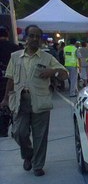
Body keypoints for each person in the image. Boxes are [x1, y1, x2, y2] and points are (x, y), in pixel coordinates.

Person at [0, 25, 68, 176]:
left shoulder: (47, 58)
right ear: (26, 37)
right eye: (32, 36)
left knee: (40, 135)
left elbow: (65, 75)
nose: (34, 39)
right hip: (20, 100)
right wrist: (5, 99)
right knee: (19, 132)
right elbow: (10, 79)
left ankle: (37, 165)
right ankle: (28, 155)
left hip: (40, 101)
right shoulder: (15, 57)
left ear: (41, 40)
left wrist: (54, 71)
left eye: (38, 36)